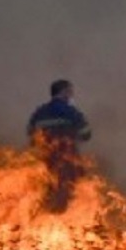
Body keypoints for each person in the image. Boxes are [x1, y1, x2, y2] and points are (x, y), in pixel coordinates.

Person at [27, 79, 92, 212]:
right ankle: (64, 221)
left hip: (45, 161)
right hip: (67, 160)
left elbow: (31, 135)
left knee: (47, 192)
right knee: (69, 193)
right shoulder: (71, 112)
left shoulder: (39, 113)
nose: (71, 96)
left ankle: (45, 220)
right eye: (70, 92)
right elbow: (86, 134)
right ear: (64, 92)